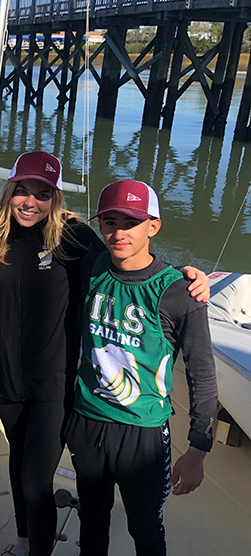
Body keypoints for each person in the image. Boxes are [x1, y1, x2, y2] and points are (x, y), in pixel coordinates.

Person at [0, 153, 210, 556]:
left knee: (53, 489)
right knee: (62, 498)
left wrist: (189, 276)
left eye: (43, 194)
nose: (30, 201)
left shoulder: (77, 243)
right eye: (22, 191)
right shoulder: (7, 241)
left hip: (88, 402)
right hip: (38, 396)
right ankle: (23, 541)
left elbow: (134, 261)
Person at [66, 180, 217, 556]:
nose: (118, 233)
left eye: (131, 223)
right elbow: (54, 219)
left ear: (153, 226)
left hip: (142, 433)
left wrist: (197, 449)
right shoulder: (93, 263)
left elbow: (202, 373)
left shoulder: (179, 292)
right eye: (110, 222)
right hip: (87, 421)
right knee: (92, 520)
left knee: (145, 527)